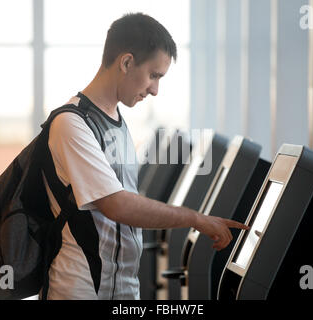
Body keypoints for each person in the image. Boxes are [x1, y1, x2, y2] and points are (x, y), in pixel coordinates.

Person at [41, 12, 249, 300]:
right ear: (126, 62)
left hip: (123, 287)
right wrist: (194, 219)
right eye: (153, 75)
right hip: (79, 289)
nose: (155, 90)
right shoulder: (72, 123)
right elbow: (117, 205)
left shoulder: (117, 121)